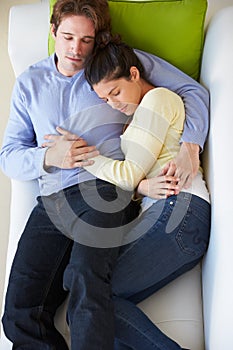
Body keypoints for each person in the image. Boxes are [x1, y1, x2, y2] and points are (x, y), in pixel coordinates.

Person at [0, 0, 210, 349]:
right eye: (67, 37)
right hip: (52, 201)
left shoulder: (113, 65)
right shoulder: (29, 84)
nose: (76, 49)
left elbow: (191, 91)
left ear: (98, 39)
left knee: (88, 284)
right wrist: (48, 155)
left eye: (86, 39)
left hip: (107, 190)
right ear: (53, 33)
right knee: (19, 313)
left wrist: (191, 146)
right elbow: (8, 156)